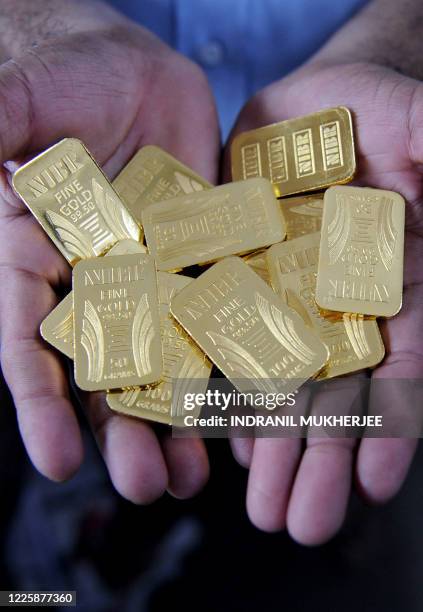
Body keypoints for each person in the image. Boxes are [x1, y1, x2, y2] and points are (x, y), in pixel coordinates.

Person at [0, 0, 422, 546]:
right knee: (102, 443)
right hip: (104, 139)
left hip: (346, 134)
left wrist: (398, 46)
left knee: (350, 441)